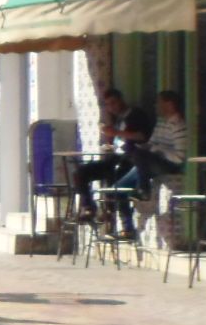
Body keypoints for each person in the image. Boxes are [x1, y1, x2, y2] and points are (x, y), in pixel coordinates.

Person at [112, 91, 187, 240]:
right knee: (119, 187)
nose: (156, 106)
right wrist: (146, 147)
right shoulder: (161, 122)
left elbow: (179, 157)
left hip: (169, 164)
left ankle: (143, 190)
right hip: (149, 162)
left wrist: (158, 149)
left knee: (140, 156)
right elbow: (152, 143)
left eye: (159, 102)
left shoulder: (178, 125)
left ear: (169, 104)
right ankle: (127, 228)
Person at [74, 88, 152, 219]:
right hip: (115, 158)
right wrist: (111, 145)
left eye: (113, 103)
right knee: (81, 172)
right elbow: (120, 140)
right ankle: (88, 207)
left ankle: (120, 220)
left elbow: (141, 136)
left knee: (115, 178)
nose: (111, 107)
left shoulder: (135, 115)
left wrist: (115, 133)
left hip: (130, 159)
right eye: (108, 104)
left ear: (121, 100)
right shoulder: (118, 119)